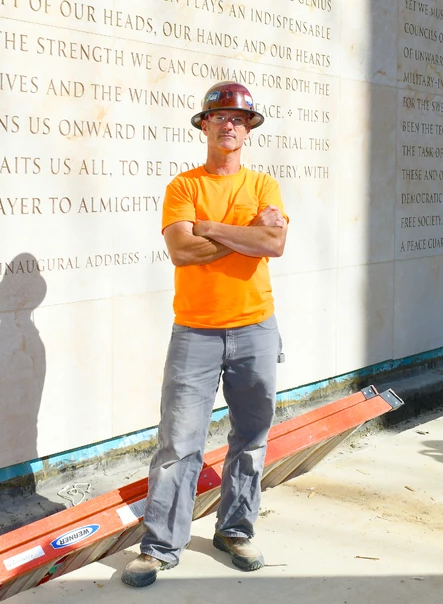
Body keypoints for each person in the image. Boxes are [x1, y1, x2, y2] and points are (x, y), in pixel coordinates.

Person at [122, 81, 289, 588]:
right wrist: (242, 237)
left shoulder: (263, 185)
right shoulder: (184, 186)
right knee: (178, 443)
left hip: (255, 326)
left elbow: (275, 244)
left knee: (252, 437)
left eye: (238, 119)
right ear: (204, 124)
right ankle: (159, 547)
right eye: (219, 117)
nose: (229, 125)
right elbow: (182, 252)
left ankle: (235, 531)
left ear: (249, 129)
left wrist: (209, 228)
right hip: (195, 331)